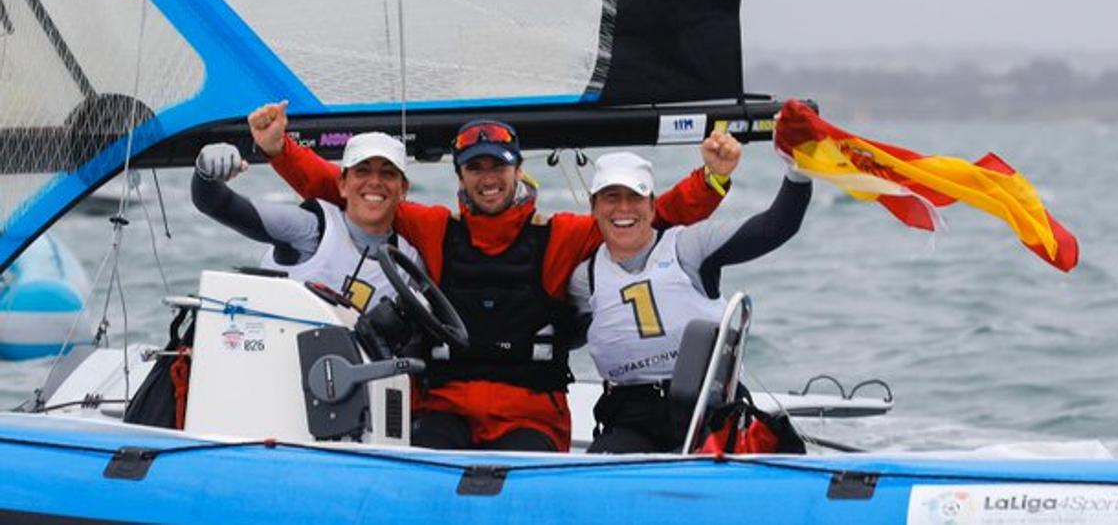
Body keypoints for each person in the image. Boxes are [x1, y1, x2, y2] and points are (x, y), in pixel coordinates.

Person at [248, 100, 740, 452]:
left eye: (498, 166)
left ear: (517, 169)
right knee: (423, 460)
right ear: (459, 176)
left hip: (532, 413)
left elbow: (652, 218)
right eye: (475, 167)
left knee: (525, 475)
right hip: (445, 407)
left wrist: (711, 178)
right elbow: (353, 196)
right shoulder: (435, 227)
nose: (488, 177)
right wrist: (279, 150)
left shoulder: (562, 235)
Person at [569, 148, 811, 453]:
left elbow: (774, 228)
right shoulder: (583, 279)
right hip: (630, 417)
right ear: (593, 207)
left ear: (653, 205)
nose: (624, 209)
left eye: (635, 197)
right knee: (599, 474)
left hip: (707, 407)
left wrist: (798, 170)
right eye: (611, 198)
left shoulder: (688, 247)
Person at [191, 131, 421, 313]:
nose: (375, 182)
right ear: (342, 184)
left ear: (403, 189)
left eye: (388, 174)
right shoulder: (310, 229)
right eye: (362, 171)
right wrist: (205, 172)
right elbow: (216, 204)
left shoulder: (409, 261)